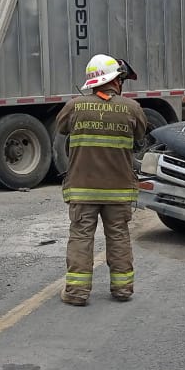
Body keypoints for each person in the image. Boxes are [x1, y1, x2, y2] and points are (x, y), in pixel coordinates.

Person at [56, 54, 149, 306]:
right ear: (116, 81)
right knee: (118, 236)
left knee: (81, 237)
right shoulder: (132, 109)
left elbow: (62, 128)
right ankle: (122, 289)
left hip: (83, 190)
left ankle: (76, 293)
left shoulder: (74, 106)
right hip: (118, 191)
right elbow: (140, 135)